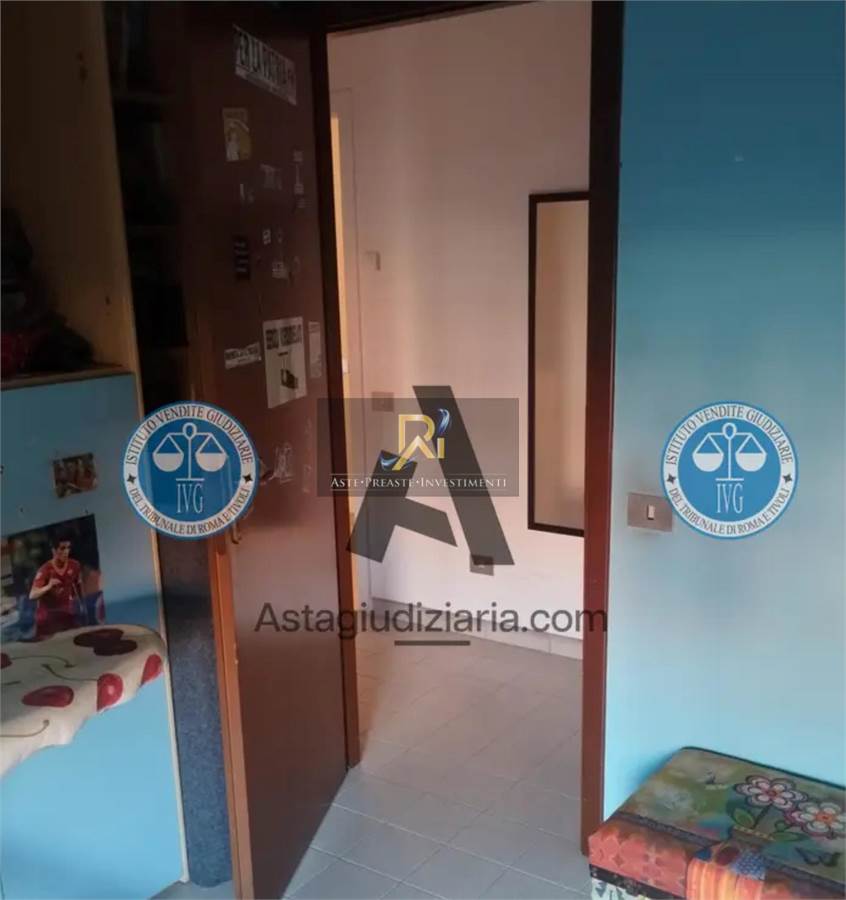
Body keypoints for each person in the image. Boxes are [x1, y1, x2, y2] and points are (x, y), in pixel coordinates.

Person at [28, 531, 82, 639]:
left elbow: (78, 586)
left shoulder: (75, 565)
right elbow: (32, 595)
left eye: (68, 548)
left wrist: (81, 605)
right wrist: (48, 587)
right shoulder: (45, 570)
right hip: (47, 620)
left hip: (66, 615)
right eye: (62, 548)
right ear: (54, 550)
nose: (66, 551)